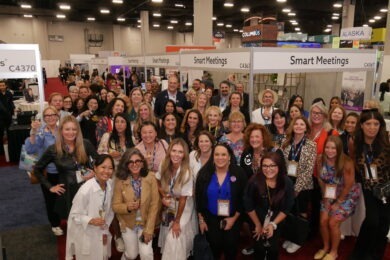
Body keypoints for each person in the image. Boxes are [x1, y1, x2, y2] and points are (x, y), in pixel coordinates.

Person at [34, 115, 98, 219]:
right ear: (61, 131)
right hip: (68, 193)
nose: (71, 132)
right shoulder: (53, 149)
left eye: (74, 129)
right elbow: (37, 169)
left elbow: (99, 163)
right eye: (67, 129)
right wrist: (50, 187)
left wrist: (95, 173)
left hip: (87, 188)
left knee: (91, 220)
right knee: (74, 224)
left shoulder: (85, 144)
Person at [195, 143, 248, 260]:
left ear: (229, 156)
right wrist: (201, 220)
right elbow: (199, 199)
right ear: (212, 156)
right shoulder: (204, 174)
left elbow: (243, 198)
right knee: (214, 249)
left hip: (233, 217)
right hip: (210, 218)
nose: (220, 157)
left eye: (224, 154)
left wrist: (233, 219)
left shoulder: (239, 173)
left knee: (231, 249)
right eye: (217, 154)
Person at [350, 109, 390, 260]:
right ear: (361, 125)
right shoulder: (355, 141)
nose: (372, 127)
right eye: (368, 124)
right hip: (368, 187)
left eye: (376, 124)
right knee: (372, 220)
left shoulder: (386, 140)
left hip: (386, 187)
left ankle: (376, 254)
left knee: (384, 223)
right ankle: (360, 252)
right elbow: (354, 161)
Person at [315, 136, 360, 260]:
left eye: (333, 148)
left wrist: (338, 202)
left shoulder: (346, 162)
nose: (329, 151)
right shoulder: (320, 159)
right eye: (327, 147)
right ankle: (325, 247)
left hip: (347, 195)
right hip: (329, 192)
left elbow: (349, 185)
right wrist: (325, 197)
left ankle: (334, 252)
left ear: (339, 149)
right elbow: (320, 178)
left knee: (332, 222)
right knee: (323, 221)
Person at [244, 152, 295, 260]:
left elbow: (287, 207)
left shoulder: (287, 182)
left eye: (272, 165)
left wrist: (273, 224)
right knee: (259, 249)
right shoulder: (254, 182)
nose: (268, 169)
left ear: (279, 166)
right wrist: (257, 224)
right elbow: (248, 205)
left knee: (273, 249)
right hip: (256, 218)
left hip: (277, 219)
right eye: (265, 166)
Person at [112, 148, 160, 260]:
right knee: (131, 255)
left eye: (138, 161)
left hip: (146, 222)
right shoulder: (120, 180)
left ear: (142, 163)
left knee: (146, 254)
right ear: (126, 164)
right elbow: (115, 206)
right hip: (127, 223)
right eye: (130, 162)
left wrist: (149, 230)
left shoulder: (151, 177)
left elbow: (154, 205)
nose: (134, 165)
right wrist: (127, 207)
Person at [66, 154, 115, 260]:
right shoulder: (85, 190)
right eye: (103, 167)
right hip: (86, 233)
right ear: (95, 168)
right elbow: (74, 215)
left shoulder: (110, 185)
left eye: (110, 168)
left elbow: (110, 211)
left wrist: (105, 227)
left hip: (102, 230)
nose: (106, 171)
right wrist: (91, 220)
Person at [281, 116, 317, 253]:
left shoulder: (311, 145)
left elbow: (309, 170)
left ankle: (298, 240)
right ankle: (290, 236)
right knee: (289, 211)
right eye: (296, 124)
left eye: (302, 124)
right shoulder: (286, 143)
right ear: (292, 126)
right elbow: (283, 166)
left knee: (301, 212)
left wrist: (297, 189)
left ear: (306, 128)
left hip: (303, 185)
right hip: (288, 183)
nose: (299, 126)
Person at [24, 106, 62, 235]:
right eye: (47, 115)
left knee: (64, 197)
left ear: (57, 116)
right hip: (48, 172)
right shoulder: (39, 132)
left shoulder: (62, 130)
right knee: (50, 199)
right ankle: (55, 224)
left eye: (53, 115)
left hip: (63, 170)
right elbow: (30, 149)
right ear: (44, 118)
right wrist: (33, 131)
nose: (50, 117)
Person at [156, 138, 195, 260]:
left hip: (183, 206)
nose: (176, 155)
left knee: (174, 235)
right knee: (168, 232)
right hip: (169, 204)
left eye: (180, 152)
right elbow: (157, 180)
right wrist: (163, 196)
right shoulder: (164, 164)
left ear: (184, 155)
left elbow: (183, 199)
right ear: (169, 151)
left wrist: (177, 222)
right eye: (174, 151)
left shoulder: (187, 172)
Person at [0, 79, 15, 155]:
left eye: (3, 85)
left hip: (9, 116)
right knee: (1, 132)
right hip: (1, 117)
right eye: (0, 85)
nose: (2, 87)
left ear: (5, 86)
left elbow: (11, 103)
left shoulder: (9, 93)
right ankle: (1, 151)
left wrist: (13, 110)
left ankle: (10, 148)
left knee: (10, 132)